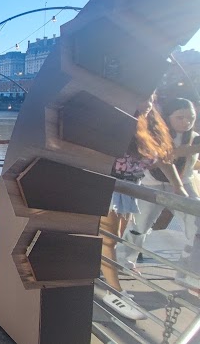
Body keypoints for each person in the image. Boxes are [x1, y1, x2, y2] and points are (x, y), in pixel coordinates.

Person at [100, 94, 179, 320]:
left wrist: (178, 186)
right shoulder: (114, 124)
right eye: (144, 97)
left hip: (129, 190)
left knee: (113, 238)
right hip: (109, 187)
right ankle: (114, 291)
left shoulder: (147, 127)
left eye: (151, 98)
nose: (149, 103)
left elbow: (162, 159)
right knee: (108, 240)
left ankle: (106, 279)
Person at [118, 97, 200, 294]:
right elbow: (164, 155)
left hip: (184, 185)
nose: (186, 122)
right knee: (139, 226)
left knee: (196, 226)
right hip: (151, 184)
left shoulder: (195, 137)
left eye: (191, 117)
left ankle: (189, 273)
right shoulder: (156, 133)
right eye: (180, 117)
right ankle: (124, 261)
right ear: (168, 117)